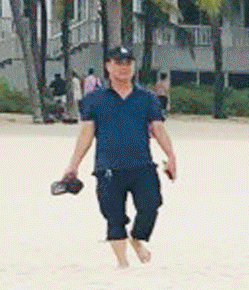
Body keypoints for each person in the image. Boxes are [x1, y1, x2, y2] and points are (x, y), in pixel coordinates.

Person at [58, 45, 176, 266]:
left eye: (128, 63)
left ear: (133, 67)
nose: (123, 68)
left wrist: (171, 156)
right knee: (114, 217)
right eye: (118, 63)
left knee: (151, 206)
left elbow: (158, 128)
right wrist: (73, 165)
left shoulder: (147, 98)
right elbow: (86, 133)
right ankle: (123, 264)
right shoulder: (94, 99)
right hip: (108, 167)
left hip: (142, 164)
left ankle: (137, 238)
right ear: (108, 66)